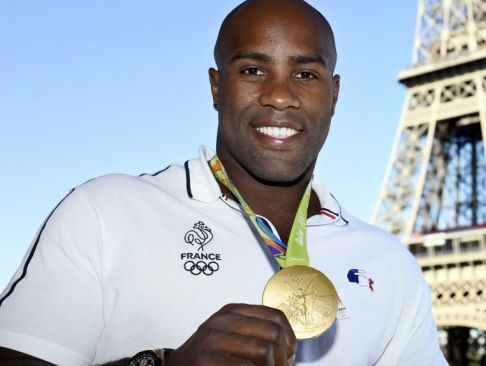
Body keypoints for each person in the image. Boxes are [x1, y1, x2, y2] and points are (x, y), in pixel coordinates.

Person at [0, 0, 448, 365]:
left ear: (334, 94)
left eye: (305, 74)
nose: (279, 94)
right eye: (253, 70)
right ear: (217, 87)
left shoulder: (389, 265)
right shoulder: (103, 213)